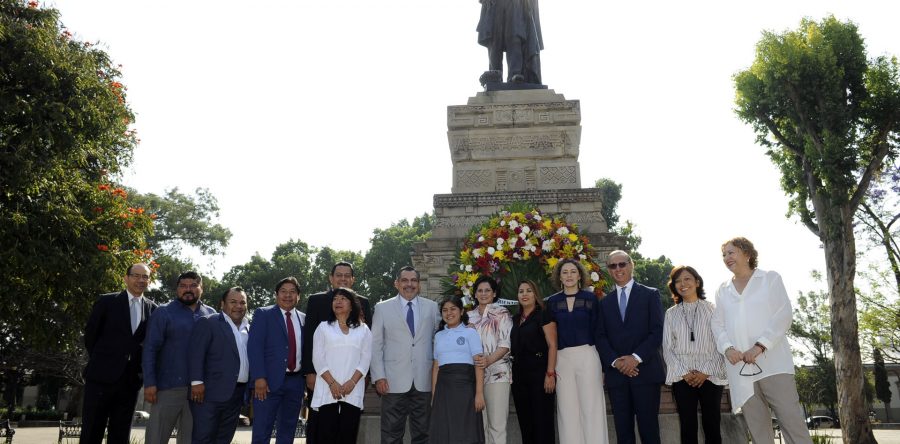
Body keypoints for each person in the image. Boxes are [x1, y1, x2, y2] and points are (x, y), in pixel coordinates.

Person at [711, 237, 813, 444]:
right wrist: (728, 348)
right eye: (724, 255)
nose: (726, 257)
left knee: (792, 422)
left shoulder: (769, 279)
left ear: (747, 254)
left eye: (731, 252)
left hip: (774, 365)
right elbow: (717, 324)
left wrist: (759, 346)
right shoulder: (722, 290)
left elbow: (783, 314)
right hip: (740, 371)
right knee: (758, 430)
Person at [80, 263, 158, 444]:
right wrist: (105, 361)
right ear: (126, 278)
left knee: (120, 435)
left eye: (145, 277)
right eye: (136, 275)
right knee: (92, 431)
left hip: (130, 382)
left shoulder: (153, 309)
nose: (140, 280)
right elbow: (91, 336)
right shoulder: (106, 301)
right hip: (100, 379)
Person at [597, 250, 664, 444]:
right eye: (613, 266)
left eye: (622, 264)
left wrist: (635, 358)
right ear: (609, 270)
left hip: (646, 373)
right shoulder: (604, 303)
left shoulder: (650, 294)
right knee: (623, 433)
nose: (618, 269)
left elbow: (657, 331)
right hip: (617, 377)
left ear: (631, 265)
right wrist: (616, 362)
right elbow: (600, 336)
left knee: (649, 432)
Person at [301, 261, 372, 444]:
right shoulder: (317, 303)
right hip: (323, 380)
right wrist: (310, 372)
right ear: (331, 278)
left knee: (348, 431)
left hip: (353, 383)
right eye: (339, 275)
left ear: (353, 279)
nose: (343, 279)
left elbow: (366, 353)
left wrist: (358, 379)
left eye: (347, 275)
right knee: (320, 428)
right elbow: (309, 341)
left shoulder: (363, 307)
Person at [143, 271, 216, 444]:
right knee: (156, 438)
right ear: (177, 289)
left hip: (200, 392)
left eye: (193, 285)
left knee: (191, 440)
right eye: (183, 286)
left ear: (201, 288)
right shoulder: (163, 312)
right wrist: (150, 383)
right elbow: (150, 349)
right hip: (167, 388)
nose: (188, 289)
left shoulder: (211, 314)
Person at [369, 265, 440, 444]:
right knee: (391, 434)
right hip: (391, 382)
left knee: (424, 434)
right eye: (405, 280)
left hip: (424, 380)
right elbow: (375, 345)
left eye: (413, 280)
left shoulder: (432, 308)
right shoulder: (382, 308)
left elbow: (439, 339)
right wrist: (379, 376)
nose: (409, 284)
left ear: (419, 284)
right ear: (397, 283)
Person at [545, 258, 608, 444]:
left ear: (580, 275)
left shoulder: (591, 299)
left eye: (573, 271)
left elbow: (599, 331)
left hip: (588, 355)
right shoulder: (552, 302)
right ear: (559, 277)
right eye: (564, 272)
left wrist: (604, 367)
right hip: (562, 359)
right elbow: (550, 337)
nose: (569, 275)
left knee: (591, 408)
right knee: (567, 410)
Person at [662, 266, 726, 444]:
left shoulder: (713, 309)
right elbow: (667, 347)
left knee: (712, 425)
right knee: (687, 427)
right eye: (677, 281)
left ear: (697, 282)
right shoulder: (671, 314)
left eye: (687, 279)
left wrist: (705, 371)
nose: (683, 284)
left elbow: (721, 343)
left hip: (710, 375)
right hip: (683, 377)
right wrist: (684, 372)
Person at [188, 287, 251, 444]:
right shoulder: (209, 322)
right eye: (233, 302)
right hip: (209, 394)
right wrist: (196, 382)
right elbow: (196, 354)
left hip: (237, 395)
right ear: (222, 304)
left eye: (242, 302)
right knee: (203, 438)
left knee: (224, 439)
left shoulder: (249, 327)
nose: (238, 306)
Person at [248, 277, 306, 444]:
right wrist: (259, 377)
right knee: (262, 432)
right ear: (276, 294)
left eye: (292, 292)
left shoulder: (304, 318)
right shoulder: (263, 314)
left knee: (287, 432)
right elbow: (254, 347)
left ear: (298, 296)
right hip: (267, 383)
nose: (287, 295)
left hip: (295, 384)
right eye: (283, 292)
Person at [429, 296, 486, 444]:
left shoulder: (470, 333)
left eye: (453, 309)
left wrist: (479, 393)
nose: (449, 313)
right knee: (444, 431)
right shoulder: (438, 336)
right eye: (445, 310)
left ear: (461, 311)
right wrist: (434, 396)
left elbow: (479, 364)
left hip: (465, 390)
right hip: (443, 391)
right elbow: (436, 367)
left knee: (465, 431)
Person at [510, 280, 557, 444]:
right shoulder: (515, 319)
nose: (524, 294)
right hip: (519, 375)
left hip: (539, 373)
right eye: (521, 291)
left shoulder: (543, 314)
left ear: (535, 294)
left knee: (542, 422)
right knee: (525, 422)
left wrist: (550, 374)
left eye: (528, 290)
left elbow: (552, 345)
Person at [467, 275, 512, 444]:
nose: (483, 294)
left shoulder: (502, 313)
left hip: (497, 374)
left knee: (497, 426)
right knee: (480, 426)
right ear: (475, 294)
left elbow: (505, 344)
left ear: (494, 293)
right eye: (480, 290)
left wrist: (488, 360)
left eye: (487, 290)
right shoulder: (468, 317)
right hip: (473, 377)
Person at [476, 0, 543, 83]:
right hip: (495, 4)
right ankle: (494, 75)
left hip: (515, 4)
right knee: (495, 41)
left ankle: (514, 74)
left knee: (515, 37)